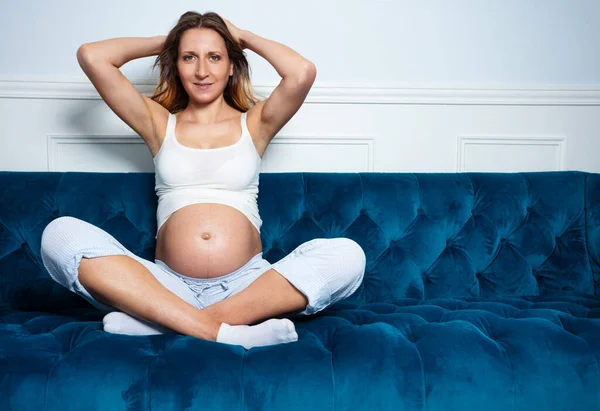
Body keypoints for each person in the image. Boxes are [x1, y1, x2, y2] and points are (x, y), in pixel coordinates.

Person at [40, 11, 366, 350]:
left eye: (214, 57)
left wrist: (242, 35)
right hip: (165, 285)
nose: (201, 70)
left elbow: (301, 73)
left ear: (231, 66)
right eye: (188, 57)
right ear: (176, 65)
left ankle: (165, 322)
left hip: (248, 286)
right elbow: (92, 56)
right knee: (59, 235)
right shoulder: (159, 124)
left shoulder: (255, 125)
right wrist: (170, 42)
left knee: (349, 256)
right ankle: (222, 330)